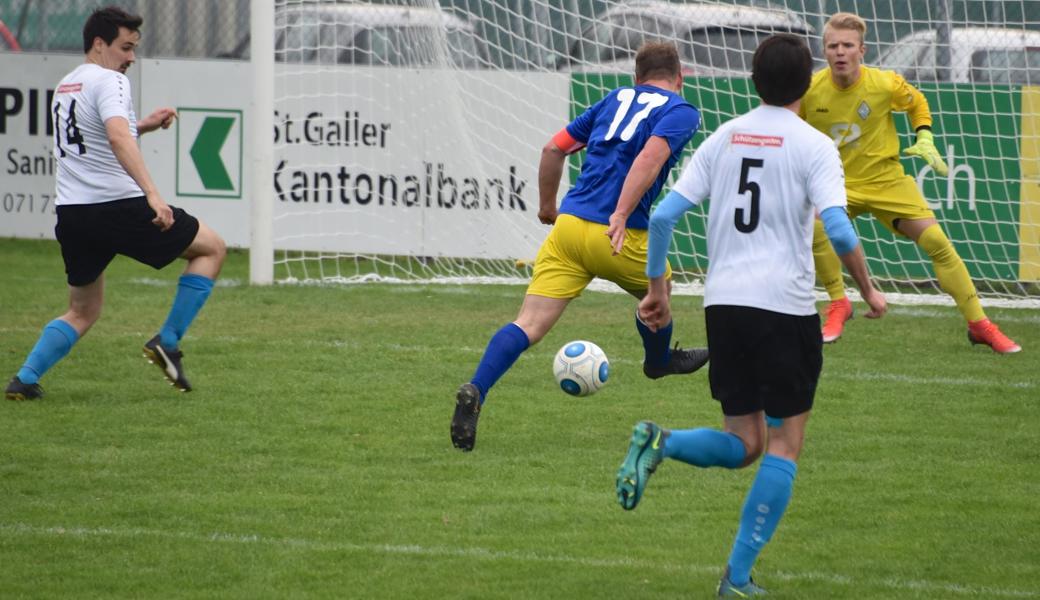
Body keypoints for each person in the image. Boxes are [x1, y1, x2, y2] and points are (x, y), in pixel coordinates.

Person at [614, 34, 887, 597]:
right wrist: (867, 289)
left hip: (724, 306)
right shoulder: (814, 146)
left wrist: (659, 291)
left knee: (745, 443)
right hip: (784, 307)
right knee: (785, 443)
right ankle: (736, 578)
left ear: (752, 81)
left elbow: (663, 216)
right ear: (807, 82)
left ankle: (661, 441)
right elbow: (837, 228)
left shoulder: (724, 136)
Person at [450, 42, 708, 452]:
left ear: (636, 78)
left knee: (528, 324)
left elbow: (553, 149)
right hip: (619, 236)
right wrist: (621, 214)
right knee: (660, 292)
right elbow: (650, 159)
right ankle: (659, 362)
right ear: (679, 77)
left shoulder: (612, 99)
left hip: (569, 229)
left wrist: (548, 208)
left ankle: (477, 389)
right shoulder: (682, 110)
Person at [4, 6, 226, 401]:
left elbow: (98, 135)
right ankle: (168, 342)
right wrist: (154, 197)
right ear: (99, 43)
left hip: (73, 214)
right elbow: (117, 138)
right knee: (212, 249)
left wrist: (144, 125)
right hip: (117, 207)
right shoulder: (110, 81)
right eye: (125, 47)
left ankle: (24, 379)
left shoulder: (68, 84)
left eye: (134, 49)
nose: (131, 58)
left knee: (83, 310)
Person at [803, 12, 1020, 352]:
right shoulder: (810, 90)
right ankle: (837, 302)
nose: (840, 52)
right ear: (824, 50)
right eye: (833, 46)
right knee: (813, 224)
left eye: (847, 45)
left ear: (863, 50)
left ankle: (980, 323)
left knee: (936, 241)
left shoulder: (884, 84)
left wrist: (925, 136)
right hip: (836, 184)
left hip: (887, 181)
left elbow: (917, 102)